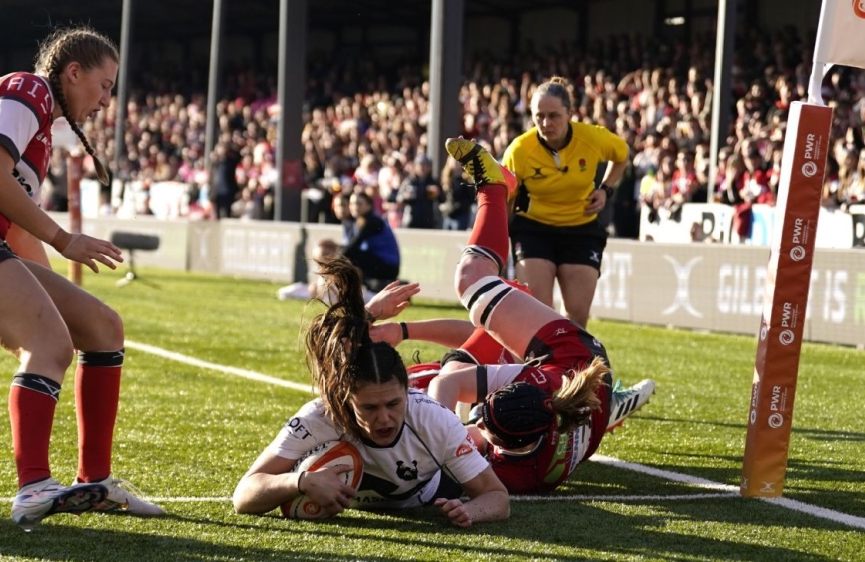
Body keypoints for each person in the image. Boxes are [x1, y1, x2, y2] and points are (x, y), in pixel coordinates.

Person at [0, 25, 165, 530]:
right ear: (72, 72)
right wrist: (65, 241)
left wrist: (52, 286)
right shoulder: (28, 90)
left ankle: (94, 483)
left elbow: (13, 223)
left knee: (102, 325)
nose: (107, 100)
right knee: (50, 344)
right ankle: (33, 487)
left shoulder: (37, 121)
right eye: (104, 85)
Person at [411, 137, 654, 494]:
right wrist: (436, 442)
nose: (479, 430)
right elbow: (449, 393)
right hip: (573, 354)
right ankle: (494, 188)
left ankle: (611, 406)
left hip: (586, 397)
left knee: (452, 369)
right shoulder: (523, 461)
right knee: (473, 284)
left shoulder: (519, 460)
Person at [232, 256, 510, 528]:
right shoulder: (318, 417)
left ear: (408, 390)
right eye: (369, 408)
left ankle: (477, 425)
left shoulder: (431, 418)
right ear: (345, 398)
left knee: (480, 438)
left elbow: (497, 497)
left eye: (393, 403)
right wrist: (301, 481)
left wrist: (470, 510)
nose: (385, 418)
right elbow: (243, 495)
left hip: (431, 490)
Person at [502, 76, 629, 327]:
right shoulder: (519, 150)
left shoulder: (592, 138)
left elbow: (622, 155)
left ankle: (567, 366)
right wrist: (499, 249)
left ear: (570, 113)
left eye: (554, 115)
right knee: (538, 314)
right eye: (539, 116)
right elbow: (505, 201)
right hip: (533, 229)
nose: (546, 123)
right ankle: (536, 367)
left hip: (581, 230)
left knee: (576, 318)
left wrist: (605, 189)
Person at [342, 190, 401, 294]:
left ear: (369, 205)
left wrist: (334, 259)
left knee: (351, 257)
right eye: (352, 204)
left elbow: (354, 245)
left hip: (388, 267)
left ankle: (354, 291)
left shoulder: (373, 221)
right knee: (349, 256)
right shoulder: (356, 221)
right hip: (379, 262)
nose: (355, 207)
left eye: (359, 204)